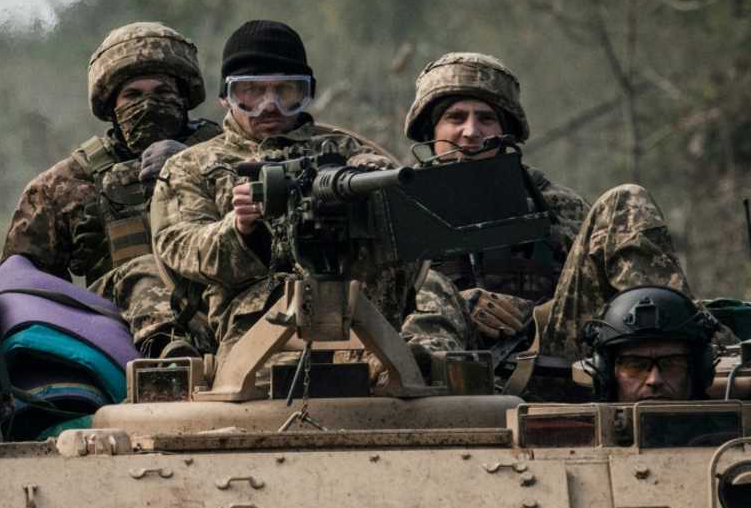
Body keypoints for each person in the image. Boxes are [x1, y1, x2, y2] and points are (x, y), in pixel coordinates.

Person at [400, 52, 715, 382]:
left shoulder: (553, 203)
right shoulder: (397, 207)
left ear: (506, 130)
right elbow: (369, 306)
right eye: (455, 117)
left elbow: (590, 293)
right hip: (448, 372)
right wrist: (458, 304)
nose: (471, 131)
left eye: (486, 118)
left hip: (549, 352)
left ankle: (694, 354)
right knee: (430, 285)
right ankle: (429, 386)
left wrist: (533, 315)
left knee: (627, 200)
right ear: (430, 130)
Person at [151, 20, 435, 369]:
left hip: (366, 327)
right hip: (255, 341)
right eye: (252, 92)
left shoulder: (344, 151)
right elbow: (179, 247)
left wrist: (361, 183)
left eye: (286, 92)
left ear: (306, 93)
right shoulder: (191, 166)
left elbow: (395, 203)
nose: (269, 106)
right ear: (226, 97)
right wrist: (239, 229)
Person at [1, 22, 220, 356]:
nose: (148, 106)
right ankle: (166, 351)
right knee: (142, 272)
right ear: (111, 106)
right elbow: (23, 289)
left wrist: (194, 166)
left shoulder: (226, 155)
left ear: (183, 98)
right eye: (132, 95)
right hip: (115, 337)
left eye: (162, 92)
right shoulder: (63, 186)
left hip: (224, 314)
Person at [581, 286, 720, 401]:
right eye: (635, 365)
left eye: (671, 364)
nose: (654, 381)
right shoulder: (584, 434)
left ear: (698, 372)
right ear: (607, 374)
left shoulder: (730, 434)